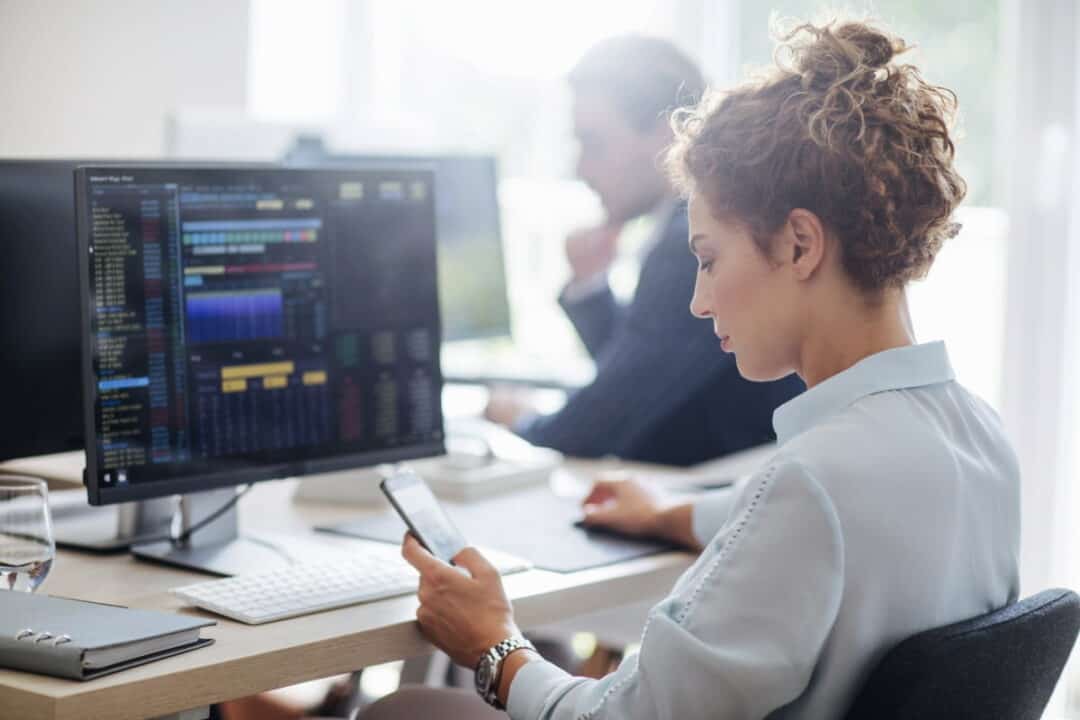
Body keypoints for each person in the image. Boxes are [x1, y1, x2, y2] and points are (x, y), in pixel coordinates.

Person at [371, 18, 1020, 719]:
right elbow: (839, 525)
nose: (700, 301)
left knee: (403, 710)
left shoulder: (811, 484)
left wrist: (494, 646)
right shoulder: (981, 439)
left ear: (801, 245)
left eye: (709, 260)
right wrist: (674, 513)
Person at [485, 35, 804, 466]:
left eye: (593, 143)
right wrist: (590, 287)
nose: (581, 168)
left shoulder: (687, 247)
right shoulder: (684, 232)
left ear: (666, 132)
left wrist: (521, 421)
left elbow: (603, 422)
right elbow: (639, 376)